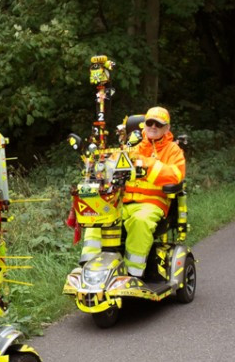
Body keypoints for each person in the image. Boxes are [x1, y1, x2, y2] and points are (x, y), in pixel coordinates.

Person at [77, 106, 185, 278]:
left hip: (151, 204)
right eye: (150, 123)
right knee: (98, 215)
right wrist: (98, 171)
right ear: (144, 125)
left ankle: (133, 273)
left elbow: (175, 176)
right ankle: (89, 266)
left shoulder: (173, 150)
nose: (153, 127)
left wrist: (146, 164)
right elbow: (109, 167)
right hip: (122, 202)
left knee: (139, 221)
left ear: (167, 128)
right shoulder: (131, 147)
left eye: (158, 124)